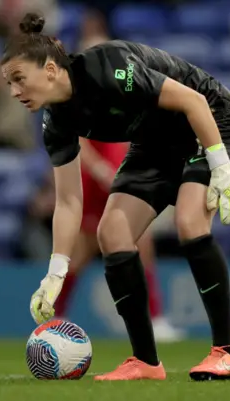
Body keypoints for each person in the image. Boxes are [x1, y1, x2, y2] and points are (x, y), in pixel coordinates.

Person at [2, 13, 230, 381]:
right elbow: (70, 201)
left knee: (189, 220)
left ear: (52, 70)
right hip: (155, 142)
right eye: (9, 83)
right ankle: (146, 362)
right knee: (112, 233)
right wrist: (55, 272)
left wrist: (223, 170)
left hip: (209, 121)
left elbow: (194, 101)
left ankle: (226, 353)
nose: (14, 92)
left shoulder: (108, 66)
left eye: (19, 79)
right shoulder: (56, 123)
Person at [53, 137, 186, 342]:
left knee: (143, 247)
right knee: (79, 257)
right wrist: (99, 169)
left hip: (122, 179)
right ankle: (56, 315)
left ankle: (154, 318)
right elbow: (77, 140)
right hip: (95, 185)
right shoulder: (85, 108)